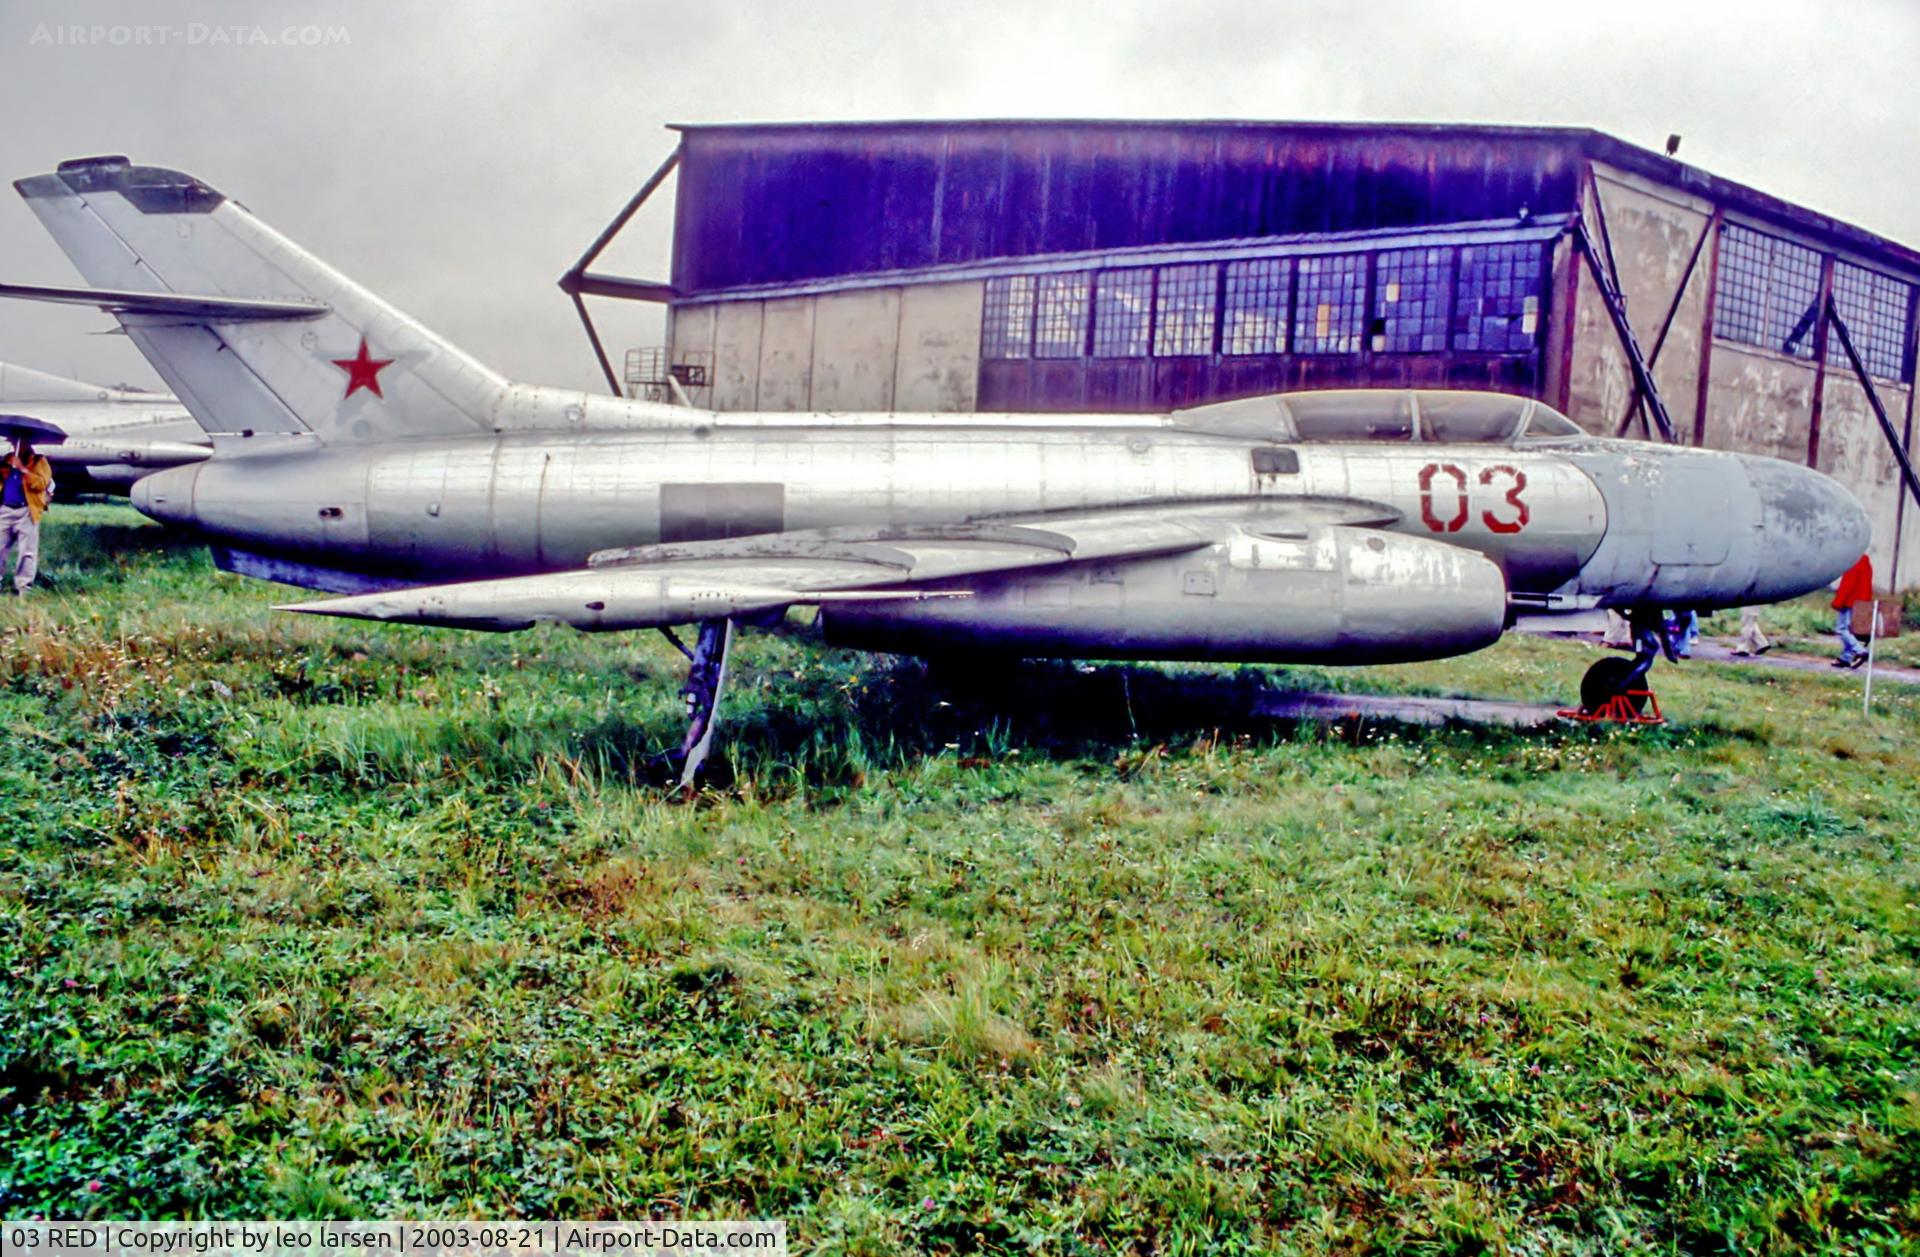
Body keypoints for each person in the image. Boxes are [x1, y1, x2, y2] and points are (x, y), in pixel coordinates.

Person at [0, 435, 53, 594]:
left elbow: (41, 484)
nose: (15, 445)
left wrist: (23, 469)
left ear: (27, 443)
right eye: (12, 442)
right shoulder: (7, 459)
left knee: (27, 552)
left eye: (19, 442)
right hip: (5, 510)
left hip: (26, 511)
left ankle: (24, 588)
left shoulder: (39, 461)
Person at [1831, 553, 1874, 668]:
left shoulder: (1853, 563)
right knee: (1848, 631)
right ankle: (1845, 658)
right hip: (1861, 602)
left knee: (1841, 629)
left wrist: (1838, 602)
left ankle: (1860, 651)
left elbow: (1847, 585)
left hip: (1849, 601)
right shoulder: (1866, 563)